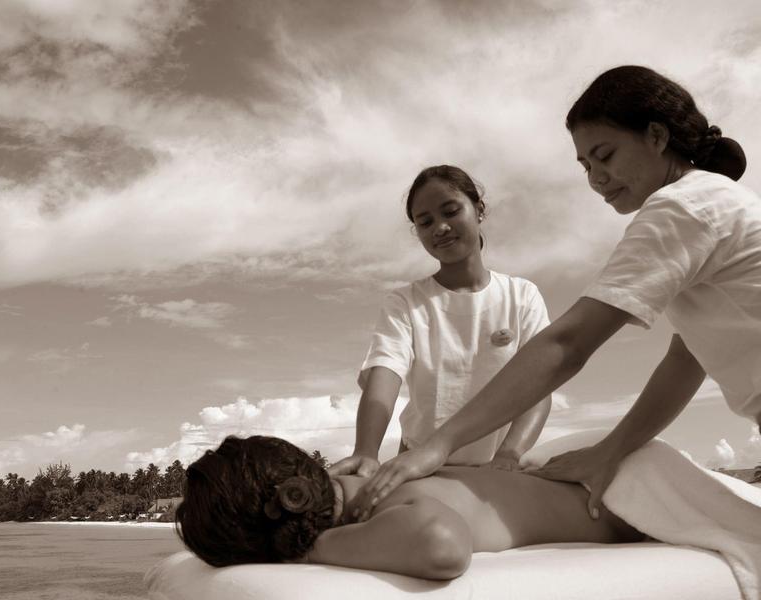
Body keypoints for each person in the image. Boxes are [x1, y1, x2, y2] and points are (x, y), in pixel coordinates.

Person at [346, 65, 760, 522]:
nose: (596, 178)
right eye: (586, 166)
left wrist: (442, 445)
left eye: (605, 155)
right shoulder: (710, 200)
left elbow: (568, 344)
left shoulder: (682, 207)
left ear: (657, 136)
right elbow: (688, 358)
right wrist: (610, 450)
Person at [329, 165, 552, 479]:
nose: (440, 228)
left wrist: (509, 455)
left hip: (496, 470)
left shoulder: (522, 296)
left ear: (479, 210)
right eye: (426, 222)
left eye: (451, 211)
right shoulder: (405, 302)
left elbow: (540, 386)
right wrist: (366, 451)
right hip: (418, 470)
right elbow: (385, 373)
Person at [175, 435, 643, 579]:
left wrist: (310, 551)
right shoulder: (383, 483)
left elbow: (443, 548)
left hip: (627, 506)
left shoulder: (396, 499)